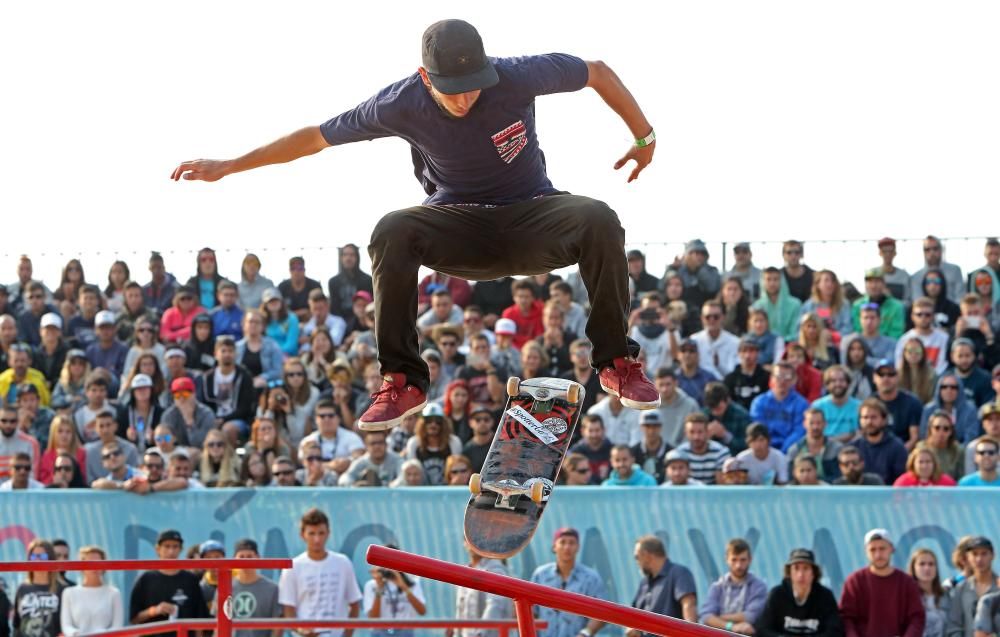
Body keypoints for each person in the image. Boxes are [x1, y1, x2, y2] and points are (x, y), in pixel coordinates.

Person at [172, 18, 662, 429]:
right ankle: (403, 380)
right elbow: (314, 138)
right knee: (392, 228)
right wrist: (230, 165)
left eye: (474, 88)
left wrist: (644, 137)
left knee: (597, 217)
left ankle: (615, 360)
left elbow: (596, 72)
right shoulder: (399, 103)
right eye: (453, 93)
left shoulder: (517, 75)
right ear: (426, 78)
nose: (466, 100)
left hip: (533, 213)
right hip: (457, 224)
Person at [279, 508, 362, 637]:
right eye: (311, 533)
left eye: (321, 533)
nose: (317, 539)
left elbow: (355, 604)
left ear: (328, 533)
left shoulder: (343, 563)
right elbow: (288, 609)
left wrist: (347, 634)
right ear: (302, 535)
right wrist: (301, 630)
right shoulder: (293, 567)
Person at [840, 528, 925, 637]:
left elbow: (917, 617)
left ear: (891, 549)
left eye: (882, 548)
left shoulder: (907, 583)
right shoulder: (854, 582)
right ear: (866, 552)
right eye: (872, 550)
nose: (878, 554)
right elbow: (846, 618)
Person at [529, 528, 608, 637]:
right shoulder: (540, 575)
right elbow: (530, 612)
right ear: (554, 546)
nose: (567, 547)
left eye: (572, 543)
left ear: (578, 547)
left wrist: (586, 633)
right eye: (562, 542)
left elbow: (602, 612)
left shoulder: (591, 578)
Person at [754, 548, 843, 637]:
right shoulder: (777, 595)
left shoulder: (826, 597)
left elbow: (835, 632)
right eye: (796, 568)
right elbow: (762, 629)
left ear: (813, 573)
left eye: (806, 568)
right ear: (789, 573)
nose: (801, 574)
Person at [129, 529, 209, 626]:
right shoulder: (145, 579)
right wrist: (154, 610)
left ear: (181, 549)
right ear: (157, 549)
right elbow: (134, 619)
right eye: (167, 546)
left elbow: (199, 621)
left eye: (175, 546)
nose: (171, 551)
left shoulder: (191, 580)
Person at [699, 538, 768, 635]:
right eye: (734, 560)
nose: (738, 565)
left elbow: (750, 617)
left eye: (743, 560)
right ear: (726, 559)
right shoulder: (717, 586)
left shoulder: (759, 586)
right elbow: (705, 616)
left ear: (750, 560)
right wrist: (732, 626)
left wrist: (717, 618)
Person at [215, 538, 281, 637]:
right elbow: (218, 623)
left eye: (249, 556)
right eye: (241, 557)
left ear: (258, 558)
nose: (245, 560)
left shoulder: (272, 589)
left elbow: (277, 625)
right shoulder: (224, 588)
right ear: (234, 559)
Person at [629, 534, 697, 627]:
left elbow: (688, 605)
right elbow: (633, 615)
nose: (636, 562)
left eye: (637, 557)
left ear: (647, 555)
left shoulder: (679, 573)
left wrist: (690, 633)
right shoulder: (644, 583)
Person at [449, 540, 512, 637]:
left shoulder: (495, 569)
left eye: (477, 539)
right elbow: (460, 611)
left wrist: (480, 634)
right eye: (470, 539)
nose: (475, 543)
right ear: (465, 543)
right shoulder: (464, 573)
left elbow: (495, 606)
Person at [59, 545, 123, 636]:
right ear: (81, 565)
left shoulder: (114, 593)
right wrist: (77, 634)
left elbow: (117, 627)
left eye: (98, 562)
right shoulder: (69, 592)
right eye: (90, 562)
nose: (94, 566)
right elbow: (66, 626)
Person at [364, 546, 427, 637]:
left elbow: (422, 611)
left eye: (393, 562)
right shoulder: (372, 585)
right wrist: (379, 588)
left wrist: (403, 586)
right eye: (386, 562)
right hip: (380, 633)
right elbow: (373, 619)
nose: (389, 568)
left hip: (405, 632)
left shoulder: (412, 582)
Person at [749, 362, 810, 452]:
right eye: (778, 376)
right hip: (764, 449)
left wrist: (783, 450)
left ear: (794, 380)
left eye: (787, 377)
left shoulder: (801, 404)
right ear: (772, 378)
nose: (782, 381)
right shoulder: (759, 402)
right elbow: (758, 428)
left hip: (792, 450)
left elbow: (799, 431)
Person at [12, 539, 67, 637]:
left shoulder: (63, 589)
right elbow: (16, 625)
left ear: (51, 559)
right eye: (34, 556)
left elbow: (66, 625)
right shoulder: (22, 588)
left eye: (42, 556)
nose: (38, 560)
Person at [946, 536, 998, 637]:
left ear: (992, 555)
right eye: (974, 554)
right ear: (968, 558)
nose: (979, 559)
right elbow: (954, 626)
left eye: (984, 553)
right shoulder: (960, 589)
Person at [850, 397, 909, 484]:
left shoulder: (897, 447)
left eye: (874, 417)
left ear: (884, 420)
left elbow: (901, 480)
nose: (869, 422)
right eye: (865, 417)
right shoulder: (854, 446)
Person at [402, 403, 461, 485]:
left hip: (447, 490)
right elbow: (412, 471)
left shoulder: (453, 442)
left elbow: (457, 470)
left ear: (443, 423)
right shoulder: (414, 443)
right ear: (422, 423)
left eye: (438, 421)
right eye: (429, 421)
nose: (433, 424)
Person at [785, 409, 844, 482]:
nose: (815, 427)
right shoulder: (795, 451)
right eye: (811, 423)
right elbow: (791, 479)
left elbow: (839, 477)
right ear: (804, 424)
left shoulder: (837, 449)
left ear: (825, 424)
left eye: (818, 423)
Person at [897, 298, 951, 374]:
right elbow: (899, 365)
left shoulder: (944, 338)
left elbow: (942, 366)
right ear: (912, 316)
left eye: (927, 315)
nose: (923, 318)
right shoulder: (904, 339)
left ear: (933, 316)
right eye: (919, 314)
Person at [675, 413, 730, 484]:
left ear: (707, 432)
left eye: (700, 432)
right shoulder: (679, 453)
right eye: (692, 432)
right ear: (686, 433)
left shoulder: (721, 452)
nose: (696, 437)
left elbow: (721, 486)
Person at [652, 367, 700, 447]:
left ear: (676, 383)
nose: (664, 389)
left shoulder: (691, 405)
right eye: (661, 385)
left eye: (668, 384)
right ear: (655, 385)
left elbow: (695, 433)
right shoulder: (649, 407)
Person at [812, 365, 862, 442]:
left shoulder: (859, 406)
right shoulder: (818, 406)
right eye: (833, 381)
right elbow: (814, 434)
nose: (838, 384)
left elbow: (859, 434)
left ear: (848, 383)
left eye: (841, 380)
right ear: (827, 385)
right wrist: (847, 436)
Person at [691, 300, 740, 378]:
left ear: (723, 318)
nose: (712, 320)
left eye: (716, 317)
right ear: (702, 318)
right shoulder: (694, 341)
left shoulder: (735, 342)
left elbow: (735, 374)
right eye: (708, 317)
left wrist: (719, 365)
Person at [752, 267, 802, 343]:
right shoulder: (756, 306)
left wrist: (780, 342)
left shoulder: (795, 304)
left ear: (782, 281)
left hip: (789, 347)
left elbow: (796, 333)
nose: (772, 283)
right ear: (763, 282)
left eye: (776, 279)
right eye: (768, 279)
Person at [852, 268, 905, 340]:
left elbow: (896, 334)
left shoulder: (897, 306)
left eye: (877, 281)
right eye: (870, 282)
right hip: (862, 346)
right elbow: (857, 330)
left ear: (884, 284)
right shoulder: (857, 306)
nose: (873, 286)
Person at [910, 236, 964, 304]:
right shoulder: (916, 277)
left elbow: (960, 298)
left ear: (942, 250)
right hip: (926, 313)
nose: (932, 253)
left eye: (935, 248)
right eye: (927, 249)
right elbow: (917, 302)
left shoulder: (955, 271)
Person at [908, 548, 949, 637]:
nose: (927, 568)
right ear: (913, 568)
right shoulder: (906, 597)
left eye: (931, 564)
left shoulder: (946, 595)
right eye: (922, 564)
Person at [702, 381, 751, 455]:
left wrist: (725, 435)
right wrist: (706, 435)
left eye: (718, 408)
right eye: (712, 408)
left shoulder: (741, 415)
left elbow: (748, 444)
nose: (715, 412)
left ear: (727, 400)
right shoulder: (704, 414)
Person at [725, 336, 771, 411]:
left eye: (751, 351)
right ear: (739, 353)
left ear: (758, 353)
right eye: (744, 351)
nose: (747, 355)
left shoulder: (767, 377)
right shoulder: (730, 379)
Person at [568, 414, 613, 484]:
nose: (594, 435)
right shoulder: (575, 453)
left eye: (597, 430)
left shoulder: (613, 451)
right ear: (582, 431)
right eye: (590, 431)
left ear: (604, 430)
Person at [893, 446, 957, 487]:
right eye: (920, 462)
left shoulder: (947, 482)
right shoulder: (903, 482)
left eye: (928, 461)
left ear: (934, 463)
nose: (924, 466)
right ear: (913, 464)